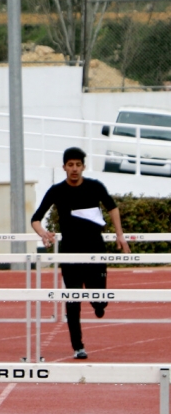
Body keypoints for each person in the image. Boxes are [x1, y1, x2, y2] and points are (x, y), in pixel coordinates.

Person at [31, 147, 130, 360]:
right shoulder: (57, 190)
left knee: (99, 298)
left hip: (95, 249)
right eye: (70, 165)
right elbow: (36, 218)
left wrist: (120, 235)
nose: (74, 169)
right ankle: (78, 346)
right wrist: (43, 233)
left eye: (78, 165)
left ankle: (99, 305)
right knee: (73, 298)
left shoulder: (95, 187)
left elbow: (113, 208)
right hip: (70, 253)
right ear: (64, 167)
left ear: (83, 166)